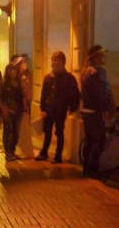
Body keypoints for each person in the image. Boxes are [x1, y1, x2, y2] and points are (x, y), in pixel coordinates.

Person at [35, 51, 80, 164]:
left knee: (59, 132)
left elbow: (74, 94)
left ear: (63, 62)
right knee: (47, 131)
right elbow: (44, 94)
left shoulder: (69, 78)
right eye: (53, 59)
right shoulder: (48, 77)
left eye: (57, 59)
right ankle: (44, 153)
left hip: (61, 109)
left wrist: (72, 108)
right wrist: (42, 109)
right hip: (49, 109)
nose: (54, 62)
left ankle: (58, 156)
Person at [81, 45, 115, 178]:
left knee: (89, 141)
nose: (104, 57)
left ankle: (86, 169)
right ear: (96, 58)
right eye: (102, 55)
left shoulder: (87, 71)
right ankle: (92, 169)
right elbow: (101, 93)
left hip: (87, 111)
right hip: (95, 112)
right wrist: (106, 109)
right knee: (99, 140)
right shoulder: (98, 72)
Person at [0, 62, 25, 162]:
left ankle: (12, 151)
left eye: (14, 70)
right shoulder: (4, 83)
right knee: (8, 132)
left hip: (18, 111)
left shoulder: (18, 83)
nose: (13, 72)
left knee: (16, 133)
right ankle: (8, 153)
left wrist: (24, 108)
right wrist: (4, 109)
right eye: (11, 70)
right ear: (8, 72)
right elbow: (0, 98)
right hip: (8, 111)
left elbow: (21, 96)